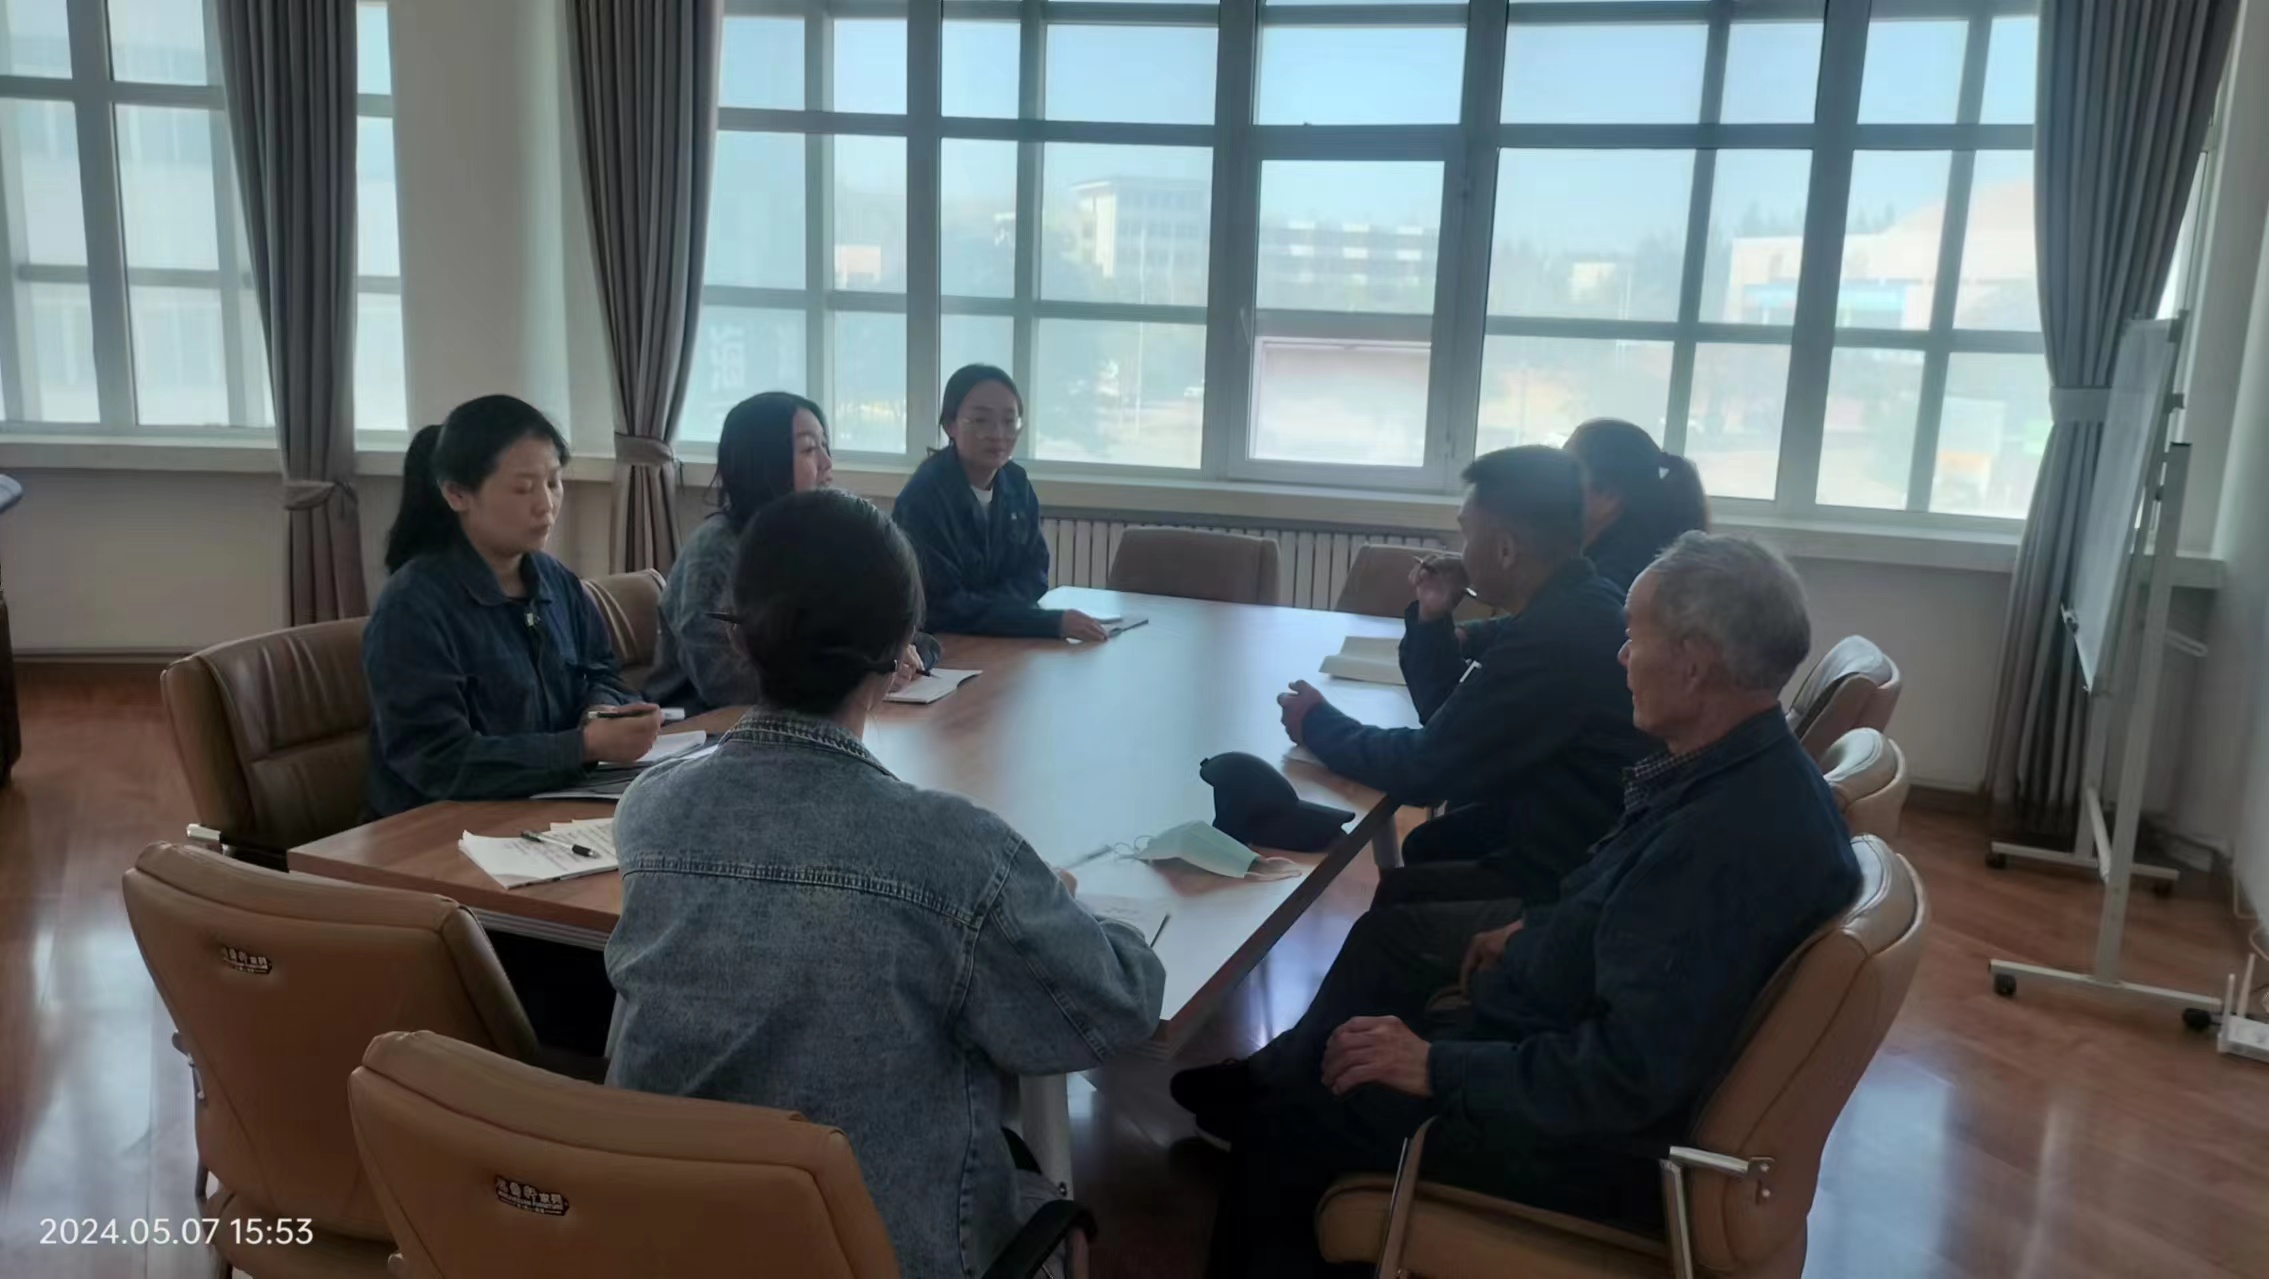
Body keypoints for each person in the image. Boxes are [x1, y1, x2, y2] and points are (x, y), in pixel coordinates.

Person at [1181, 532, 1862, 1279]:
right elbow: (1628, 930)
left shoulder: (1719, 843)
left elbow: (1622, 1079)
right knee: (1354, 1029)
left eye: (1634, 638)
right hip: (1563, 1051)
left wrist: (1437, 1066)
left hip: (1595, 1147)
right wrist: (1536, 931)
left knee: (1295, 1112)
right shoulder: (1740, 775)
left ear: (1693, 663)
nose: (1619, 657)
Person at [607, 487, 1166, 1279]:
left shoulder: (650, 810)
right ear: (901, 646)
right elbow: (1114, 1009)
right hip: (881, 1249)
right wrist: (1072, 908)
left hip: (670, 1241)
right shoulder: (954, 849)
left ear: (739, 631)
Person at [361, 393, 662, 1055]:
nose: (546, 503)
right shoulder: (416, 604)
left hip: (549, 824)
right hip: (453, 856)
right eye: (524, 487)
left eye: (553, 482)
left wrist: (603, 710)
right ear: (457, 494)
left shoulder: (554, 581)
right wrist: (581, 744)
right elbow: (438, 760)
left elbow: (600, 668)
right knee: (618, 979)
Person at [1277, 447, 1649, 906]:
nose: (1461, 551)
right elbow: (1450, 723)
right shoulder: (1581, 601)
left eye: (1466, 533)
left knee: (1402, 899)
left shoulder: (1554, 640)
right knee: (1428, 848)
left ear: (1506, 550)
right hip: (1566, 831)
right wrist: (1433, 619)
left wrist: (1316, 723)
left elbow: (1424, 768)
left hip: (1572, 873)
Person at [646, 392, 937, 711]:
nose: (827, 463)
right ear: (764, 462)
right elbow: (723, 682)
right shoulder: (713, 551)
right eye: (810, 449)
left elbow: (879, 628)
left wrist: (900, 652)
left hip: (808, 713)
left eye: (825, 446)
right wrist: (857, 676)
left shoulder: (818, 539)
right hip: (705, 725)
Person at [892, 364, 1112, 642]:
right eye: (980, 420)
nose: (997, 433)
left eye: (1009, 421)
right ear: (950, 425)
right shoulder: (923, 497)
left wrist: (997, 611)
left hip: (1005, 636)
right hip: (943, 644)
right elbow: (943, 606)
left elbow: (1035, 573)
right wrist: (1044, 622)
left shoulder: (1016, 483)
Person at [1565, 417, 1710, 593]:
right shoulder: (1640, 554)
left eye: (1565, 475)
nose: (1552, 486)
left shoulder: (1607, 583)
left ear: (1609, 496)